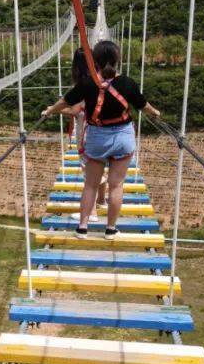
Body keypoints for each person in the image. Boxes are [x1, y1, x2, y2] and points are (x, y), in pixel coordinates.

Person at [42, 40, 161, 240]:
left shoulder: (87, 83)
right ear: (117, 60)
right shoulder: (128, 83)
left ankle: (82, 227)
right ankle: (110, 229)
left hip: (97, 138)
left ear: (95, 61)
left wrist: (50, 111)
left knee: (90, 184)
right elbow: (143, 105)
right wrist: (155, 113)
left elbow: (66, 102)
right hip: (123, 137)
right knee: (116, 185)